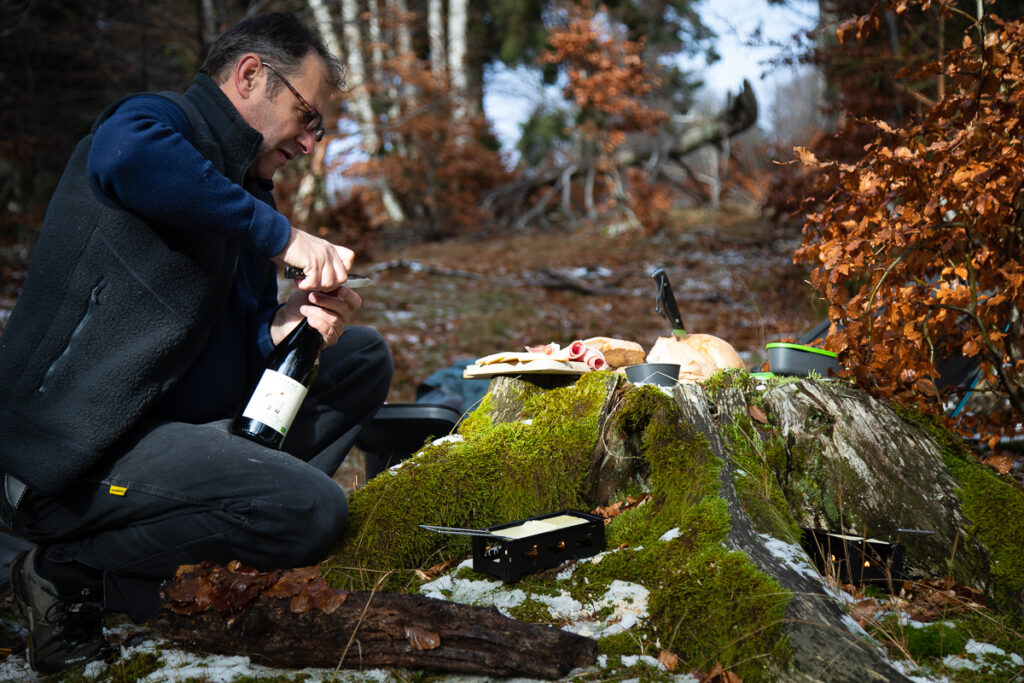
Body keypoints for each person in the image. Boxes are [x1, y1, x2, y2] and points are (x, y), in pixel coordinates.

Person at [0, 12, 392, 674]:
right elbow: (128, 160)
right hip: (67, 456)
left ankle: (237, 533)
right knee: (314, 509)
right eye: (307, 116)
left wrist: (285, 327)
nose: (311, 141)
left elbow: (236, 356)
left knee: (360, 356)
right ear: (250, 75)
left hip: (167, 436)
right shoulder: (154, 124)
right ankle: (68, 573)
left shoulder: (243, 196)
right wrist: (283, 237)